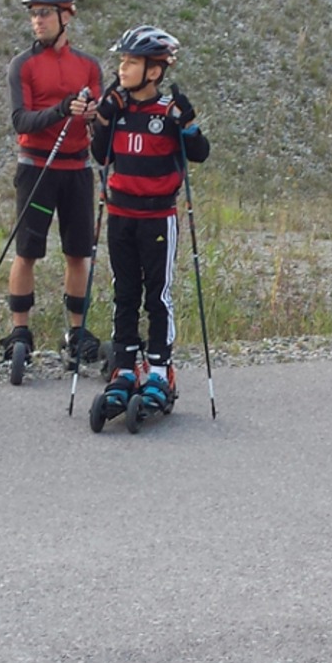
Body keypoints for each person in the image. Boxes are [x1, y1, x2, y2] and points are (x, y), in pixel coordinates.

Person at [88, 25, 209, 415]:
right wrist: (102, 121)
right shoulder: (118, 109)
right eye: (122, 61)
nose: (122, 69)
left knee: (157, 295)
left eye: (131, 62)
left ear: (154, 71)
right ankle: (124, 367)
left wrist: (187, 124)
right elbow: (100, 156)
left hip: (157, 217)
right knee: (124, 292)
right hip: (120, 214)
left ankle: (158, 370)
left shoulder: (166, 112)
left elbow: (199, 153)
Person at [1, 0, 104, 374]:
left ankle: (76, 333)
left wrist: (94, 115)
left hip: (76, 169)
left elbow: (97, 118)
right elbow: (20, 120)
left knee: (79, 253)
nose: (36, 20)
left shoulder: (90, 66)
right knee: (27, 250)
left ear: (66, 17)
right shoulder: (22, 64)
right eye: (33, 13)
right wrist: (63, 109)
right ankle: (20, 332)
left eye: (44, 13)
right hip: (37, 167)